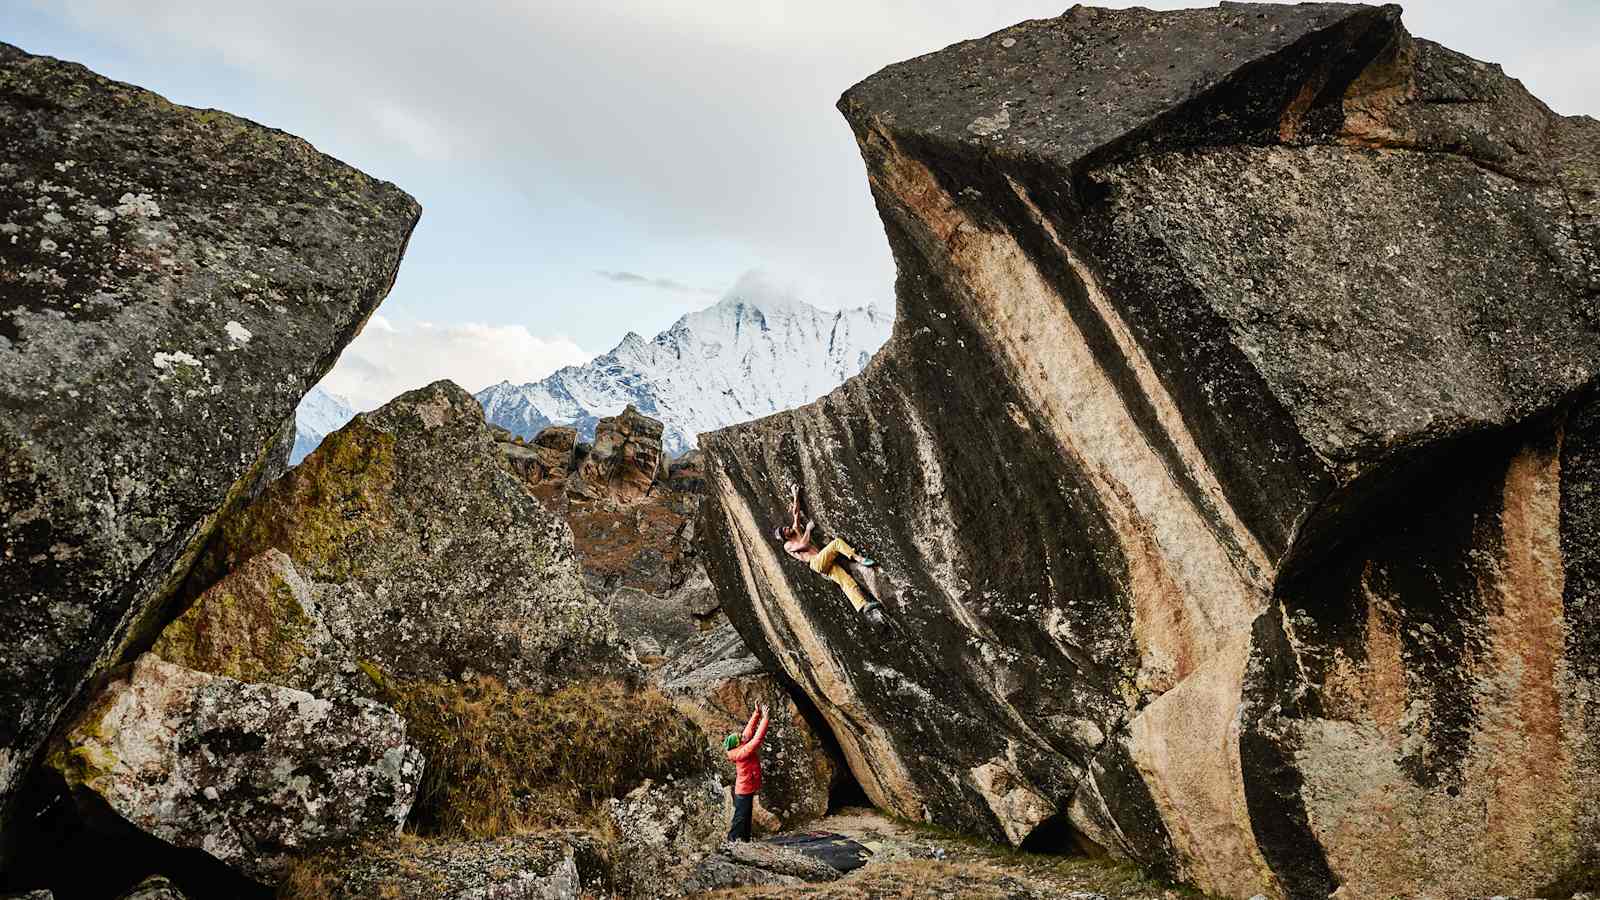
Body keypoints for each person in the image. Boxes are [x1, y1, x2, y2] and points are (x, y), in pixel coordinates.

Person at [772, 484, 892, 628]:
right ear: (784, 537)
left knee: (845, 580)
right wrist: (808, 530)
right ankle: (858, 558)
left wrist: (795, 493)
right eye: (783, 531)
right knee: (836, 543)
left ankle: (863, 605)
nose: (786, 528)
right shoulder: (788, 546)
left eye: (784, 528)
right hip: (816, 562)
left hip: (823, 561)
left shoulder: (795, 531)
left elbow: (796, 512)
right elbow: (803, 545)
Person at [723, 704, 770, 843]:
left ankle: (745, 840)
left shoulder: (740, 745)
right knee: (740, 817)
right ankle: (731, 841)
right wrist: (765, 719)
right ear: (738, 744)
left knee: (746, 816)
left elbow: (748, 731)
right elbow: (757, 739)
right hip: (743, 791)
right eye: (741, 737)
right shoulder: (742, 752)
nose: (744, 736)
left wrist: (756, 713)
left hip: (746, 788)